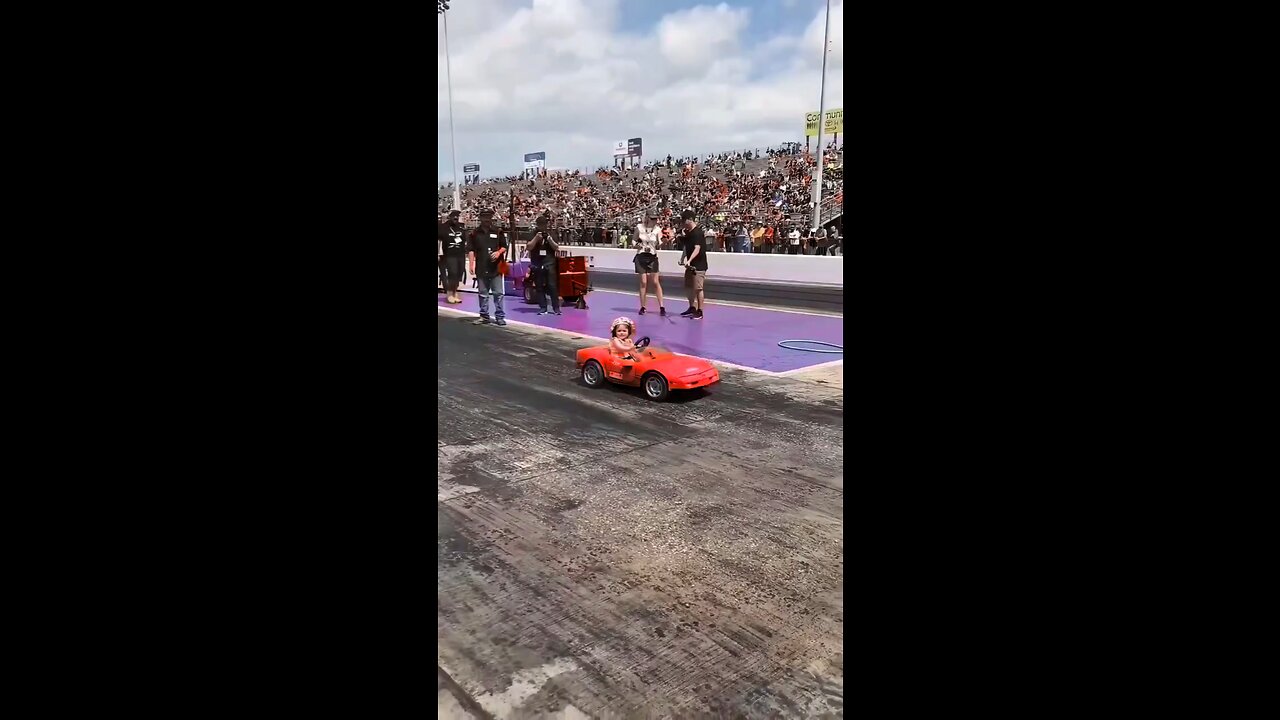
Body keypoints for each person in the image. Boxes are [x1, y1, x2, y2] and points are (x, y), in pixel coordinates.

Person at [467, 208, 509, 326]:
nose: (487, 219)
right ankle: (484, 315)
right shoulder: (474, 233)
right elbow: (471, 250)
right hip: (481, 266)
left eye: (489, 216)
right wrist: (471, 264)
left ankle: (500, 316)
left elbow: (504, 246)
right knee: (483, 293)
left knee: (498, 293)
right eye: (484, 216)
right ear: (480, 218)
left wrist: (498, 253)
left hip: (496, 268)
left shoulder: (498, 231)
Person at [526, 213, 562, 316]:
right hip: (537, 262)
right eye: (540, 224)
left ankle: (556, 308)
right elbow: (529, 247)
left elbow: (556, 247)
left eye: (544, 224)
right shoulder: (533, 233)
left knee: (552, 286)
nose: (542, 226)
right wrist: (536, 239)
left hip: (549, 262)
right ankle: (543, 307)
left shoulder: (551, 233)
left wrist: (549, 239)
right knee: (539, 286)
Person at [676, 209, 707, 320]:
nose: (683, 224)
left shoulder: (698, 233)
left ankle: (700, 310)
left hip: (698, 264)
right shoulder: (689, 233)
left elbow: (697, 248)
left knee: (698, 288)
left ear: (689, 220)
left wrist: (690, 260)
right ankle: (691, 307)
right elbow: (686, 247)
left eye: (684, 221)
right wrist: (683, 258)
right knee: (689, 286)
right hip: (690, 265)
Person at [634, 210, 666, 316]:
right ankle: (643, 306)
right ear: (647, 218)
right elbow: (634, 241)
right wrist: (638, 245)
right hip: (641, 256)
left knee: (655, 282)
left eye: (656, 218)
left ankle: (662, 306)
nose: (655, 220)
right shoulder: (639, 227)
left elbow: (659, 243)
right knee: (643, 282)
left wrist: (662, 242)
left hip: (652, 257)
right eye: (652, 218)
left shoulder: (657, 230)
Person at [440, 209, 468, 303]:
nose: (455, 218)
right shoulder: (443, 227)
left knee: (459, 274)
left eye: (457, 216)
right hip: (449, 254)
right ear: (450, 217)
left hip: (460, 254)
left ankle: (455, 292)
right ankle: (449, 293)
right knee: (453, 273)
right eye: (453, 216)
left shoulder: (461, 227)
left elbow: (464, 240)